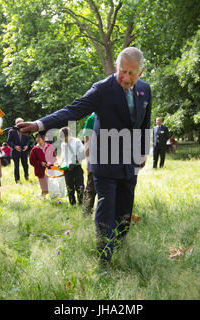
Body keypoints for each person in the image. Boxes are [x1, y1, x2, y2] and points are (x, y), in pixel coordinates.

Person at [16, 47, 151, 265]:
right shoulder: (102, 90)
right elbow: (73, 110)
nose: (125, 77)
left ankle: (120, 249)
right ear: (116, 67)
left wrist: (143, 150)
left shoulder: (145, 90)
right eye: (121, 71)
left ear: (141, 72)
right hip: (104, 160)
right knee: (106, 210)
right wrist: (39, 124)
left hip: (130, 161)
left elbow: (145, 123)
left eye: (131, 73)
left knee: (125, 209)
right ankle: (104, 260)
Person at [59, 127, 85, 205]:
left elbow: (82, 154)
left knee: (79, 186)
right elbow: (63, 155)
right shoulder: (63, 144)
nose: (65, 140)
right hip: (67, 169)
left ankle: (81, 203)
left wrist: (74, 162)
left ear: (70, 134)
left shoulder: (77, 141)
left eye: (65, 138)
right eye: (63, 139)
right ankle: (72, 204)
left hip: (77, 167)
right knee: (69, 187)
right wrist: (59, 163)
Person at [29, 132, 57, 197]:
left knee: (51, 187)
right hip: (40, 171)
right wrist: (40, 163)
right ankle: (41, 197)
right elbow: (31, 161)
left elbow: (54, 157)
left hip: (50, 170)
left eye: (39, 137)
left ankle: (47, 198)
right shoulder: (35, 149)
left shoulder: (49, 146)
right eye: (36, 137)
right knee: (45, 189)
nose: (37, 139)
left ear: (44, 138)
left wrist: (50, 162)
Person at [82, 113, 97, 215]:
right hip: (95, 158)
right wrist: (88, 160)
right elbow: (87, 141)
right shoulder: (92, 118)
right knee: (91, 188)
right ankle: (86, 214)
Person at [7, 118, 31, 183]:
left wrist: (27, 145)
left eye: (22, 123)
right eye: (19, 123)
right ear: (16, 124)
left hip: (24, 151)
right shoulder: (11, 131)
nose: (21, 124)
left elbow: (28, 140)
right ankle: (17, 180)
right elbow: (8, 141)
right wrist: (15, 147)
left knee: (25, 165)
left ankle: (27, 177)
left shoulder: (25, 130)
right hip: (15, 151)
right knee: (16, 166)